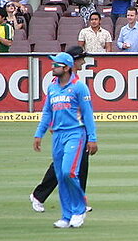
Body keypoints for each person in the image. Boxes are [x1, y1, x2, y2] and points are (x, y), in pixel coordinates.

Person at [32, 52, 99, 229]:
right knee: (61, 176)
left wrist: (92, 138)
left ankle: (79, 209)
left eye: (56, 65)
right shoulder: (52, 87)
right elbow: (47, 112)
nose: (52, 67)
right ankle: (66, 215)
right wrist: (39, 133)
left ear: (67, 67)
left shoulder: (79, 87)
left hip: (76, 134)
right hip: (58, 135)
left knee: (68, 172)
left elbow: (88, 114)